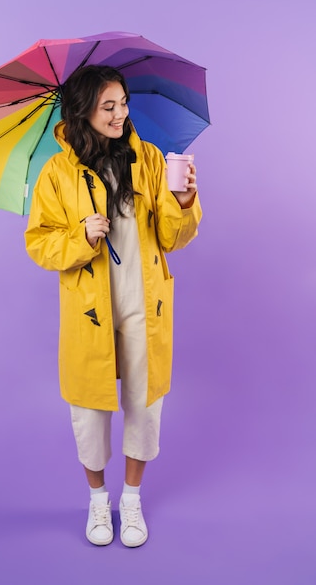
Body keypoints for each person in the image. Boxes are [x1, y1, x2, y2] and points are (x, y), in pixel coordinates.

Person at [25, 65, 202, 547]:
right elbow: (39, 244)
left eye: (123, 103)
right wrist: (79, 237)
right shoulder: (58, 174)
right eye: (109, 106)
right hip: (90, 310)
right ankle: (98, 503)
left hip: (145, 304)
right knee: (89, 411)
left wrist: (183, 200)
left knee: (145, 406)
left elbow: (173, 237)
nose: (121, 114)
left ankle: (132, 499)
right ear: (82, 111)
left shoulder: (146, 158)